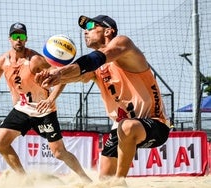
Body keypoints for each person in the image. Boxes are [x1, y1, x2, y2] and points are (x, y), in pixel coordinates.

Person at [35, 15, 170, 180]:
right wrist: (51, 75)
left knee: (126, 127)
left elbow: (95, 59)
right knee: (104, 180)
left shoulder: (123, 44)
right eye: (85, 28)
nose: (86, 31)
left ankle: (119, 182)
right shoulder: (97, 68)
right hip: (121, 129)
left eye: (91, 26)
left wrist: (60, 72)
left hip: (155, 124)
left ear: (108, 31)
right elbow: (76, 74)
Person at [0, 22, 91, 182]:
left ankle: (86, 179)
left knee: (59, 152)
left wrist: (51, 98)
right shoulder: (2, 61)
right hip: (22, 109)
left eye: (22, 36)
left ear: (26, 39)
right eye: (15, 36)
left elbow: (62, 76)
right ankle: (25, 180)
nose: (19, 40)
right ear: (9, 39)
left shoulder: (36, 60)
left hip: (44, 111)